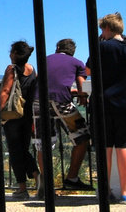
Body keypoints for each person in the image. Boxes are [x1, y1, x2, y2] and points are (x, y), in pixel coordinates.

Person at [89, 12, 126, 204]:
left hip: (103, 105)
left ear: (106, 28)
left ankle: (105, 191)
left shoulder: (101, 48)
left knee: (105, 148)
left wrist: (99, 44)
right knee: (124, 147)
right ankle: (124, 192)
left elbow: (88, 70)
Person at [33, 38, 94, 197]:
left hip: (38, 103)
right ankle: (72, 178)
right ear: (72, 51)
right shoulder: (77, 63)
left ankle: (45, 185)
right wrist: (80, 95)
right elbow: (81, 84)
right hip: (61, 102)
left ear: (57, 47)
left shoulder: (44, 59)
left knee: (43, 144)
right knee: (83, 137)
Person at [0, 40, 39, 199]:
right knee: (23, 149)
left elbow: (5, 92)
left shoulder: (11, 69)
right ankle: (37, 176)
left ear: (15, 54)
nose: (9, 54)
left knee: (15, 151)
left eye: (11, 51)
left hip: (13, 115)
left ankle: (22, 188)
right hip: (28, 115)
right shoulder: (32, 69)